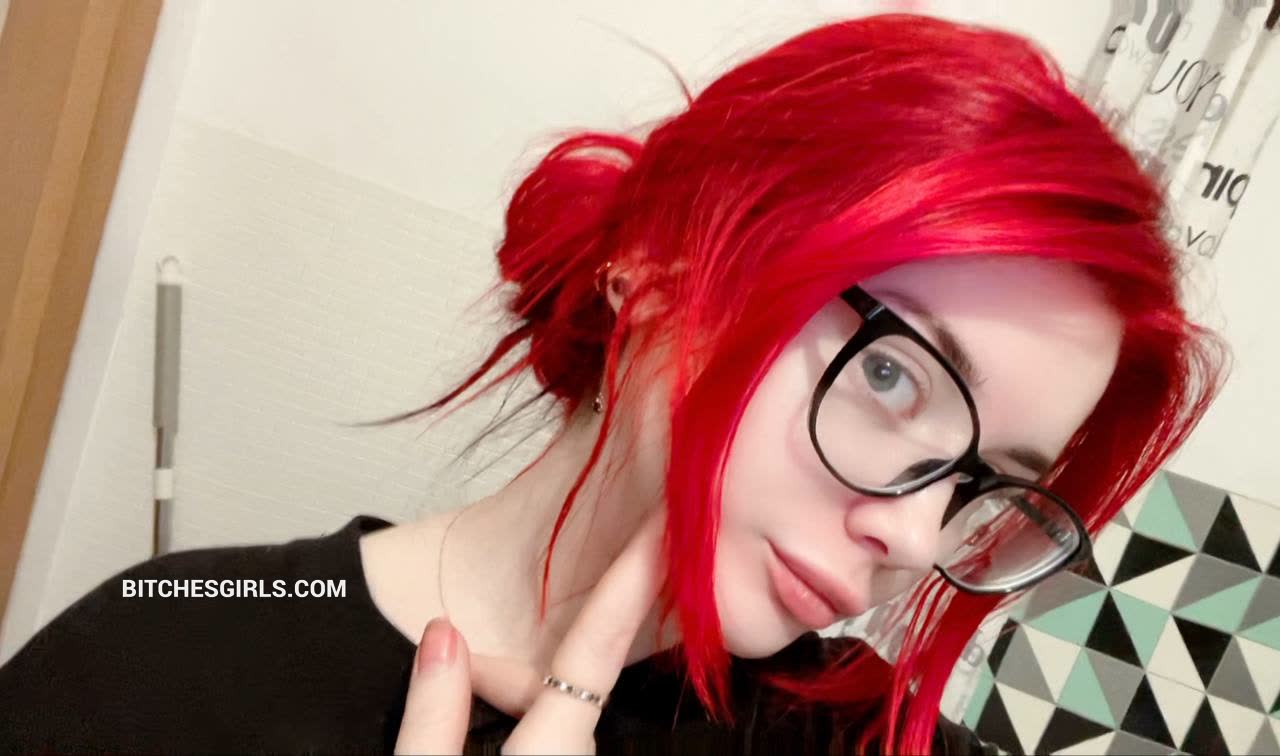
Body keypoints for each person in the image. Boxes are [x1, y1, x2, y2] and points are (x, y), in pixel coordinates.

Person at [0, 12, 1229, 755]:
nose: (911, 537)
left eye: (979, 486)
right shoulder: (166, 656)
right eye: (892, 375)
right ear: (662, 266)